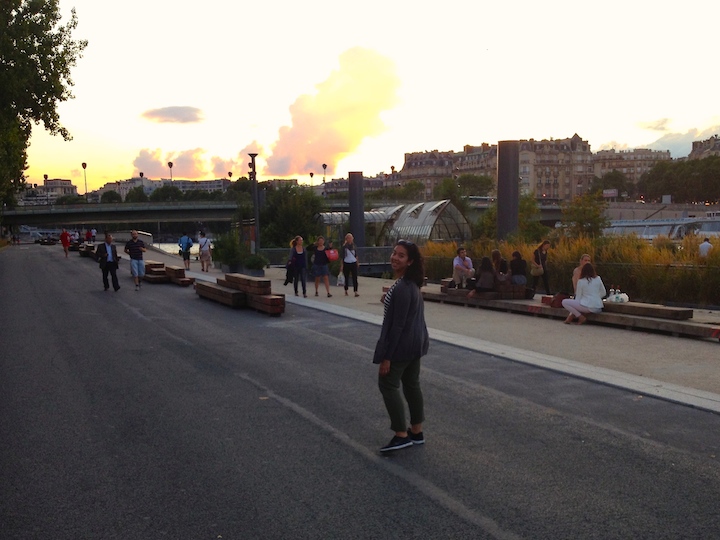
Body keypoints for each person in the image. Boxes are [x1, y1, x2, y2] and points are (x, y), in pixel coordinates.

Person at [373, 239, 429, 453]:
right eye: (394, 253)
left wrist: (386, 356)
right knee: (412, 384)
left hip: (403, 346)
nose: (395, 257)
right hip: (416, 343)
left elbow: (397, 326)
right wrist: (388, 298)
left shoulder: (404, 288)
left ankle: (401, 434)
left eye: (401, 255)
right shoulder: (409, 284)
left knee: (387, 384)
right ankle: (416, 431)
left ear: (410, 261)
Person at [340, 232, 360, 297]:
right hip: (346, 262)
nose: (350, 239)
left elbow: (356, 255)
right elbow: (342, 256)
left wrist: (357, 262)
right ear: (346, 239)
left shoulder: (354, 246)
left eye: (351, 238)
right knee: (346, 277)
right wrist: (342, 265)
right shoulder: (344, 247)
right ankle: (346, 290)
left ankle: (356, 291)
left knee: (355, 277)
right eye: (349, 238)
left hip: (353, 262)